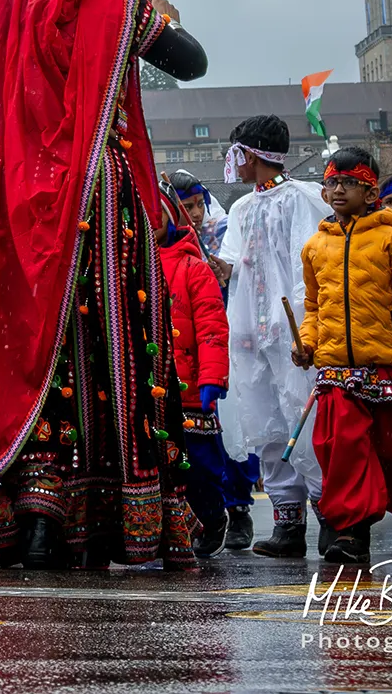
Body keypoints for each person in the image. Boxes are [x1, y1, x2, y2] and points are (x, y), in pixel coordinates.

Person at [0, 0, 209, 569]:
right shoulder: (115, 12)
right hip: (97, 204)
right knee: (108, 349)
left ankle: (33, 511)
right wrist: (154, 11)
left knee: (22, 351)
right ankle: (111, 510)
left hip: (13, 207)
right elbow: (192, 62)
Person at [295, 146, 392, 566]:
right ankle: (351, 530)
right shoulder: (315, 247)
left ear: (370, 190)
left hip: (387, 366)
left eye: (348, 183)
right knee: (341, 449)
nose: (338, 190)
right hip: (337, 369)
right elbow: (313, 308)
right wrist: (306, 344)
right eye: (332, 183)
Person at [214, 114, 331, 557]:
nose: (233, 161)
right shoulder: (242, 208)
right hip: (251, 331)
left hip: (293, 331)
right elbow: (234, 264)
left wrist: (302, 325)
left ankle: (329, 517)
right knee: (266, 421)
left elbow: (309, 265)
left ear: (253, 152)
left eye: (237, 151)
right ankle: (287, 524)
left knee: (305, 417)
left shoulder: (301, 199)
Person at [167, 168, 254, 552]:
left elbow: (214, 320)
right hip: (171, 371)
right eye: (184, 208)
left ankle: (231, 510)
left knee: (222, 445)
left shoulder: (221, 238)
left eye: (196, 205)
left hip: (223, 353)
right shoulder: (142, 260)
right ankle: (180, 525)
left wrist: (213, 376)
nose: (194, 214)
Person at [157, 208, 231, 558]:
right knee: (159, 465)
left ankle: (212, 516)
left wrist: (213, 377)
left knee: (199, 464)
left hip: (189, 389)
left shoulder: (194, 268)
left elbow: (212, 328)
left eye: (157, 211)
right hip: (147, 389)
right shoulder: (126, 266)